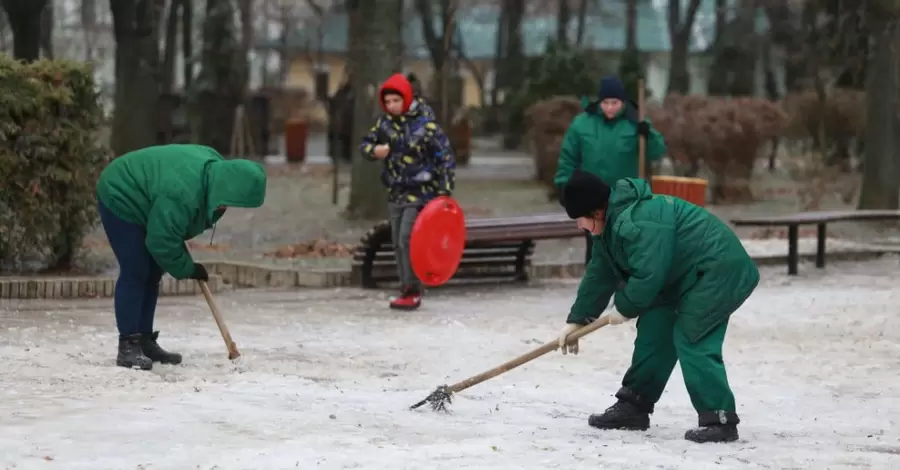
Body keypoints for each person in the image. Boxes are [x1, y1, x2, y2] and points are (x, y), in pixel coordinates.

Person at [556, 169, 760, 444]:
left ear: (596, 211)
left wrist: (624, 308)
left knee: (692, 335)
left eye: (579, 219)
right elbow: (600, 272)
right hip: (679, 277)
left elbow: (649, 274)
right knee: (654, 329)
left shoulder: (641, 220)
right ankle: (634, 406)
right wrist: (578, 318)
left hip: (718, 270)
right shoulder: (609, 228)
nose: (579, 225)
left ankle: (719, 418)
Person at [96, 144, 267, 371]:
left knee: (153, 271)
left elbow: (174, 225)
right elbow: (161, 240)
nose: (229, 207)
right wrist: (187, 268)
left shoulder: (213, 173)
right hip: (121, 192)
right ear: (227, 187)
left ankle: (144, 341)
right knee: (136, 269)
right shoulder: (183, 193)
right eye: (231, 201)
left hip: (151, 193)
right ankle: (128, 346)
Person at [359, 73, 455, 310]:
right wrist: (375, 151)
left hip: (421, 193)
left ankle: (413, 289)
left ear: (407, 98)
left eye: (395, 100)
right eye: (387, 102)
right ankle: (406, 287)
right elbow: (364, 144)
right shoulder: (384, 124)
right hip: (395, 191)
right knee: (397, 241)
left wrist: (444, 193)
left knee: (407, 238)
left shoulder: (426, 125)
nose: (391, 106)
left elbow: (445, 158)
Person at [553, 75, 667, 264]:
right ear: (600, 102)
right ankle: (595, 288)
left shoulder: (634, 123)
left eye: (615, 103)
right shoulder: (582, 124)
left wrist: (649, 135)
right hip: (592, 201)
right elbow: (568, 158)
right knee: (596, 249)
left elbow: (657, 152)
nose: (610, 107)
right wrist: (563, 185)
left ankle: (626, 288)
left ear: (622, 102)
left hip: (626, 199)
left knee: (626, 249)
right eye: (606, 102)